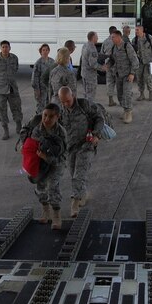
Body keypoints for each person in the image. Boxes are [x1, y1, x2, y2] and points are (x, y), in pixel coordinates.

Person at [57, 86, 105, 218]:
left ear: (73, 96)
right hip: (70, 148)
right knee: (74, 174)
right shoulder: (60, 110)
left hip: (86, 145)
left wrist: (96, 134)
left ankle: (74, 203)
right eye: (63, 101)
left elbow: (99, 118)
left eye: (68, 100)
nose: (66, 104)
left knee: (79, 174)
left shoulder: (85, 105)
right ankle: (82, 194)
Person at [30, 103, 67, 230]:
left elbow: (62, 156)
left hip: (56, 163)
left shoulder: (61, 133)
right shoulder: (37, 130)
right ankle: (46, 210)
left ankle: (56, 215)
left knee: (52, 187)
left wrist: (47, 157)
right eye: (45, 115)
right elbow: (32, 148)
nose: (46, 119)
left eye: (51, 116)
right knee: (40, 188)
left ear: (57, 117)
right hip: (41, 163)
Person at [0, 40, 23, 140]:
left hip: (12, 88)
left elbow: (16, 69)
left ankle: (19, 126)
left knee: (16, 107)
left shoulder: (14, 58)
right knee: (1, 110)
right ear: (0, 48)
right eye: (3, 47)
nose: (5, 49)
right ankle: (5, 130)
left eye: (6, 47)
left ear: (10, 48)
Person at [108, 30, 139, 124]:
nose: (111, 39)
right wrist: (107, 65)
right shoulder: (114, 47)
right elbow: (112, 60)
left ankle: (128, 112)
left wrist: (132, 73)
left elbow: (135, 61)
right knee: (120, 95)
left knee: (127, 94)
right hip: (118, 75)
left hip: (127, 76)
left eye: (113, 37)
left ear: (118, 37)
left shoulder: (127, 46)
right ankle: (125, 110)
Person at [133, 25, 152, 101]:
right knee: (139, 78)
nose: (136, 31)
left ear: (142, 30)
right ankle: (142, 94)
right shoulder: (135, 40)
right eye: (135, 30)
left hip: (149, 61)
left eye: (137, 30)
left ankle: (151, 93)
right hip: (139, 62)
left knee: (148, 78)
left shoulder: (149, 38)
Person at [31, 43, 55, 115]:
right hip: (41, 89)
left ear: (49, 51)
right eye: (43, 50)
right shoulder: (38, 63)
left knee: (49, 105)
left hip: (49, 88)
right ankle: (38, 121)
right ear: (41, 52)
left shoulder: (52, 61)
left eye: (46, 50)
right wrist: (37, 89)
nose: (45, 51)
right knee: (41, 107)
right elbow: (35, 77)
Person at [79, 31, 101, 104]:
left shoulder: (85, 45)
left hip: (84, 74)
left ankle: (85, 108)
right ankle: (89, 111)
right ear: (93, 38)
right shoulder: (92, 48)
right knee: (90, 95)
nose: (97, 38)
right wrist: (102, 68)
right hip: (90, 76)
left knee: (86, 93)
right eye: (97, 36)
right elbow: (93, 64)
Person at [100, 26, 118, 107]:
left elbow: (101, 53)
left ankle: (110, 100)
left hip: (108, 65)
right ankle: (122, 100)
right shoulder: (117, 41)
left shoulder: (105, 41)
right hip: (117, 65)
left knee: (110, 82)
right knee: (119, 83)